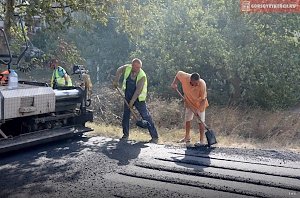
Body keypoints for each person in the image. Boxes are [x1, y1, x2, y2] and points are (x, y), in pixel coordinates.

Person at [112, 58, 159, 143]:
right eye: (136, 67)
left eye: (139, 67)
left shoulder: (142, 76)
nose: (137, 69)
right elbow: (119, 70)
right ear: (132, 65)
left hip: (139, 98)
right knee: (126, 115)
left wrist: (132, 102)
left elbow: (138, 91)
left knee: (146, 116)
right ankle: (125, 135)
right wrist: (116, 80)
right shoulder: (127, 68)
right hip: (128, 95)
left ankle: (155, 137)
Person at [171, 71, 209, 146]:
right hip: (189, 102)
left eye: (198, 82)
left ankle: (201, 141)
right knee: (187, 120)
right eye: (195, 83)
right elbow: (178, 74)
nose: (197, 84)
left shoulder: (202, 84)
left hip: (200, 104)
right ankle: (187, 137)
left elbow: (203, 99)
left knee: (201, 122)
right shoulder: (185, 77)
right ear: (191, 80)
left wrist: (198, 110)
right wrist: (174, 83)